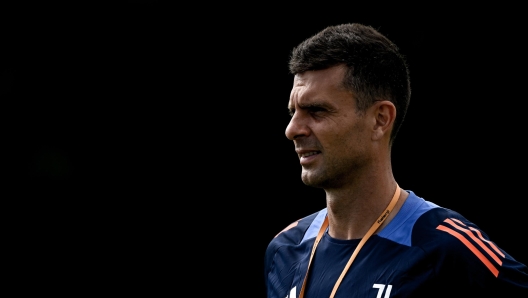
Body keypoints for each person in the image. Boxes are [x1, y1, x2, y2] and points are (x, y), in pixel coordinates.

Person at [263, 23, 528, 298]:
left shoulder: (445, 248)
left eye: (316, 110)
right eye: (293, 112)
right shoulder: (284, 250)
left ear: (380, 119)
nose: (292, 129)